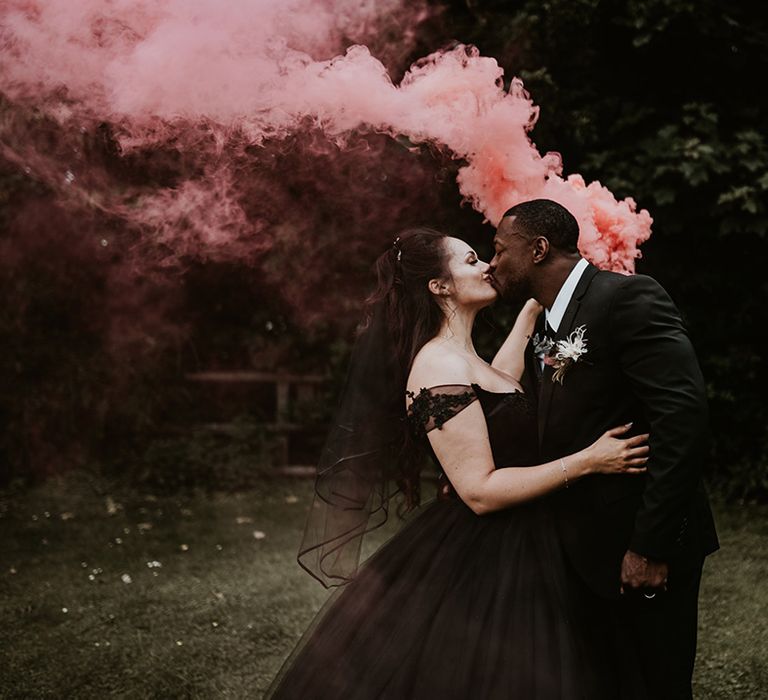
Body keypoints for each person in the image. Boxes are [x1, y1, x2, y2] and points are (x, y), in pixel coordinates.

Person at [268, 227, 651, 699]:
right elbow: (479, 490)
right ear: (439, 286)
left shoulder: (465, 361)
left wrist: (534, 305)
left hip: (533, 534)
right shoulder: (437, 366)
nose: (487, 266)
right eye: (471, 260)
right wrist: (589, 461)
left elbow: (503, 390)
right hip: (490, 553)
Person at [487, 199, 720, 699]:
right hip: (578, 548)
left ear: (539, 249)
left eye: (500, 250)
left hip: (639, 544)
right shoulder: (547, 321)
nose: (493, 263)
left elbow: (683, 417)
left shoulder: (628, 298)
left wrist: (649, 546)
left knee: (655, 684)